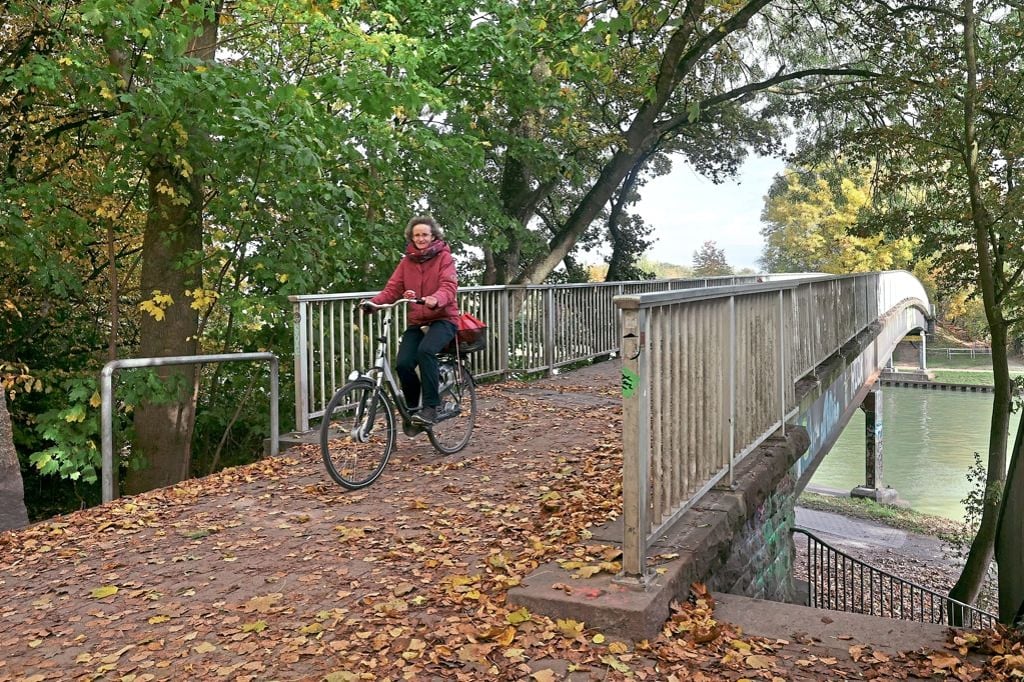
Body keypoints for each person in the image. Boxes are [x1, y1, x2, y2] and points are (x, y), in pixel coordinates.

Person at [363, 215, 458, 426]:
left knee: (425, 351)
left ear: (433, 236)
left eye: (425, 234)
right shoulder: (407, 262)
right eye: (417, 235)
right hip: (417, 321)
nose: (421, 238)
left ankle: (432, 407)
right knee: (404, 363)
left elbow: (448, 287)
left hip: (443, 318)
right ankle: (414, 409)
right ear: (411, 238)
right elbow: (392, 289)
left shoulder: (444, 258)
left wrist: (436, 299)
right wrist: (373, 304)